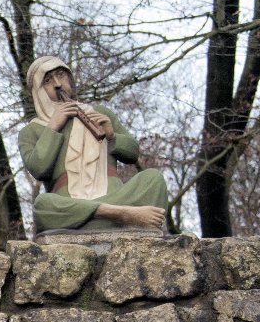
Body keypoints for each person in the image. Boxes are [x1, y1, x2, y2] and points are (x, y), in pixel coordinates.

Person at [19, 55, 170, 233]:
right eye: (47, 81)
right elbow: (39, 168)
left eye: (61, 75)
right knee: (43, 205)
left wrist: (112, 136)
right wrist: (53, 126)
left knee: (154, 179)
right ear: (39, 91)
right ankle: (121, 216)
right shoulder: (31, 130)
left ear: (70, 78)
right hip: (69, 204)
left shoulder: (99, 113)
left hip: (113, 196)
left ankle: (101, 216)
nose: (57, 84)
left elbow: (133, 153)